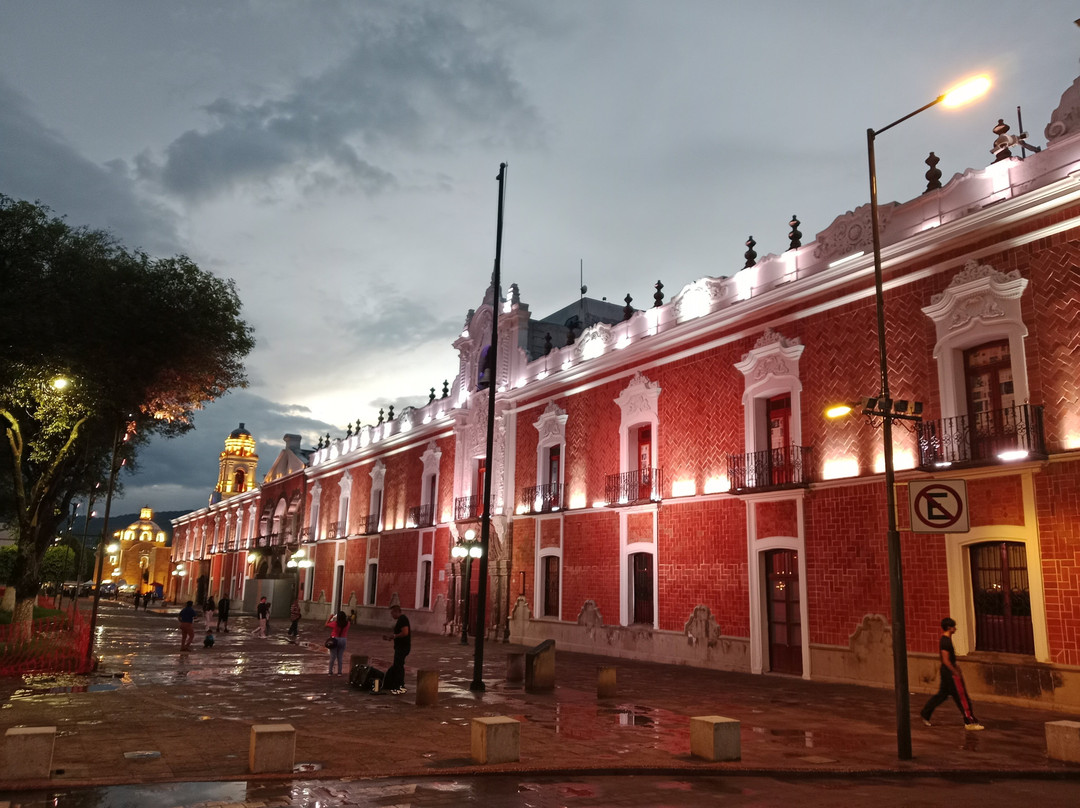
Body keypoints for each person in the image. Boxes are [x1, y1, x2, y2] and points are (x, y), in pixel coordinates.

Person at [920, 617, 984, 731]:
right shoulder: (945, 641)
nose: (955, 629)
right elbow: (946, 660)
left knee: (942, 695)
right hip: (949, 673)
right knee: (961, 696)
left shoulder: (946, 640)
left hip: (947, 671)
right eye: (954, 627)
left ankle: (925, 713)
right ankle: (969, 721)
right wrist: (955, 671)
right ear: (949, 628)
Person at [382, 604, 410, 694]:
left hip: (402, 647)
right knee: (397, 665)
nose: (391, 615)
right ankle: (392, 683)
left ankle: (399, 685)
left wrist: (395, 636)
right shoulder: (401, 620)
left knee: (399, 666)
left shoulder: (402, 619)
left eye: (392, 613)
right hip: (400, 646)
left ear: (396, 612)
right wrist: (390, 637)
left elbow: (405, 632)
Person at [326, 610, 349, 675]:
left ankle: (330, 672)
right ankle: (339, 672)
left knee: (332, 657)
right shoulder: (348, 623)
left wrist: (330, 618)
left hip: (335, 640)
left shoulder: (335, 623)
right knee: (340, 657)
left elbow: (326, 624)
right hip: (343, 639)